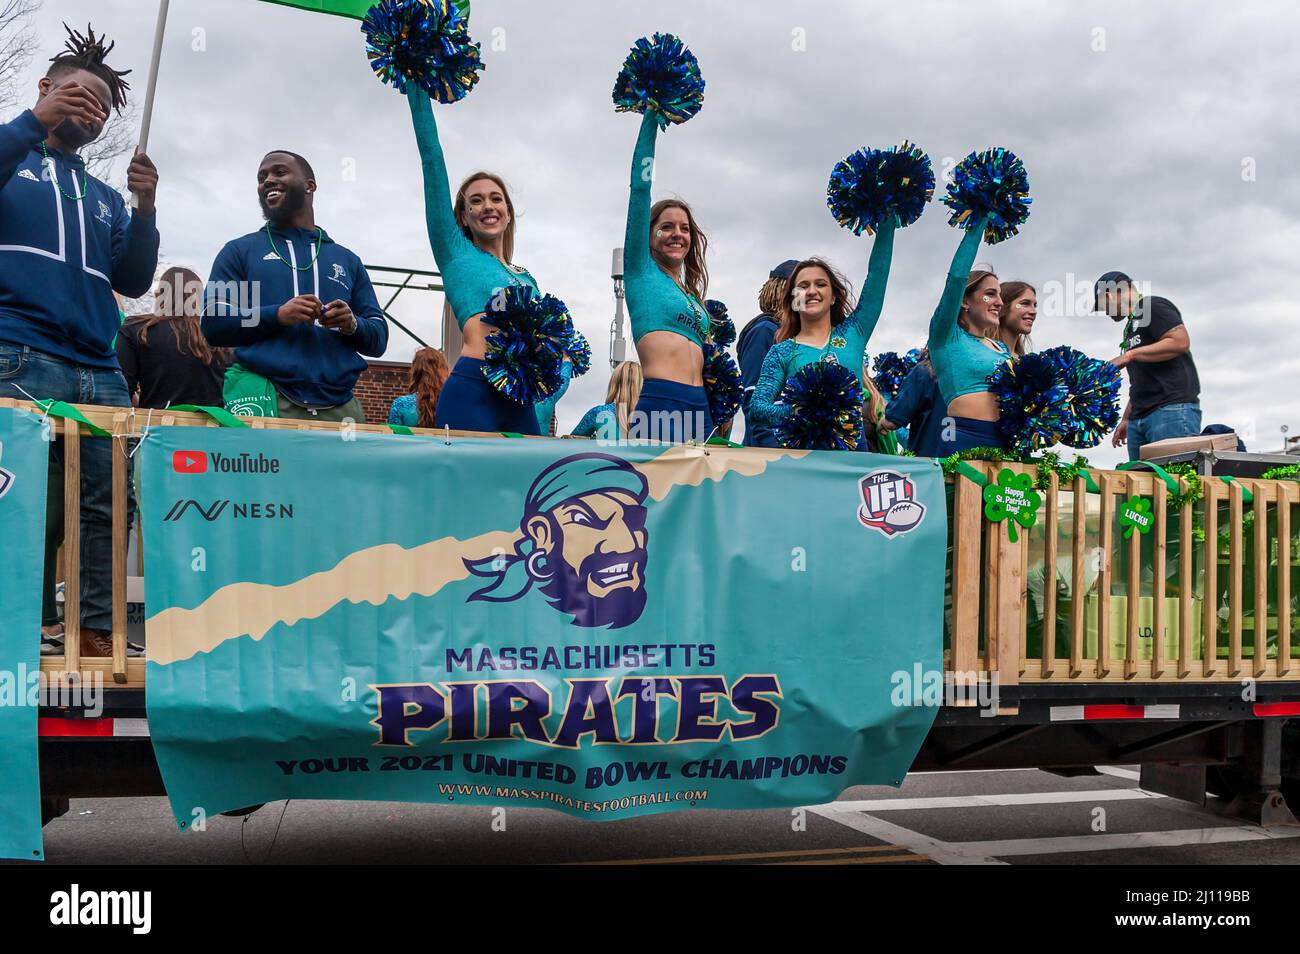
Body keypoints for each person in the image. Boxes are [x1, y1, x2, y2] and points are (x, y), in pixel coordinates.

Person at [0, 25, 160, 658]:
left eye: (101, 106)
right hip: (18, 354)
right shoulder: (14, 159)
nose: (89, 110)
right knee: (23, 501)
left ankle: (95, 628)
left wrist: (145, 208)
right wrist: (31, 122)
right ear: (44, 89)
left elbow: (134, 277)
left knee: (108, 504)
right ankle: (18, 624)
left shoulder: (104, 197)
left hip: (99, 366)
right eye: (75, 95)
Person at [201, 150, 388, 421]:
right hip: (264, 396)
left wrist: (352, 324)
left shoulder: (347, 260)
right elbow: (214, 322)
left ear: (310, 185)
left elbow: (379, 337)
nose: (267, 180)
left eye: (279, 172)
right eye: (261, 177)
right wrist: (277, 315)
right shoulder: (240, 251)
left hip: (339, 409)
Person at [405, 87, 550, 435]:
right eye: (477, 201)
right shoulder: (456, 254)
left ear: (509, 212)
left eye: (496, 199)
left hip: (520, 398)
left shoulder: (527, 278)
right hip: (472, 388)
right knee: (466, 488)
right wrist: (416, 83)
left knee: (526, 486)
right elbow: (431, 159)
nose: (488, 206)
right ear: (463, 217)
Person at [747, 216, 899, 445]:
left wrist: (887, 216)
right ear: (792, 299)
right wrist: (799, 411)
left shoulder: (853, 333)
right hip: (803, 462)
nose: (811, 291)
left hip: (853, 461)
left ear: (833, 296)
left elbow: (878, 274)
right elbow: (757, 408)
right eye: (803, 286)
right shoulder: (782, 352)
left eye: (820, 284)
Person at [622, 111, 717, 443]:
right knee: (656, 495)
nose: (677, 234)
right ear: (649, 235)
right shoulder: (641, 272)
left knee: (702, 495)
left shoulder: (691, 294)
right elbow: (639, 189)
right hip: (661, 403)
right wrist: (651, 116)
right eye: (667, 227)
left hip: (701, 410)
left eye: (685, 228)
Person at [1095, 271, 1202, 460]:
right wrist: (1127, 417)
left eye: (1102, 306)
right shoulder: (1131, 327)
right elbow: (1142, 380)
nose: (1105, 312)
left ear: (1109, 295)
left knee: (1173, 484)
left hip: (1170, 411)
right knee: (1142, 487)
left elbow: (1180, 341)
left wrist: (1129, 355)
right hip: (1139, 418)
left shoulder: (1151, 307)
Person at [116, 266, 229, 409]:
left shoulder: (136, 329)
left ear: (160, 295)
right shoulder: (218, 333)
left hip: (156, 426)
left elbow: (123, 390)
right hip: (210, 427)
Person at [737, 260, 797, 447]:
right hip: (770, 454)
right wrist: (774, 452)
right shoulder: (764, 331)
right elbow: (753, 400)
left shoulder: (796, 337)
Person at [572, 360, 644, 441]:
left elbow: (569, 444)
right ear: (642, 385)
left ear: (614, 383)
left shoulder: (599, 413)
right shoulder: (651, 415)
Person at [388, 346, 450, 428]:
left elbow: (393, 439)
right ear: (444, 372)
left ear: (414, 372)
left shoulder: (400, 404)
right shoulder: (451, 404)